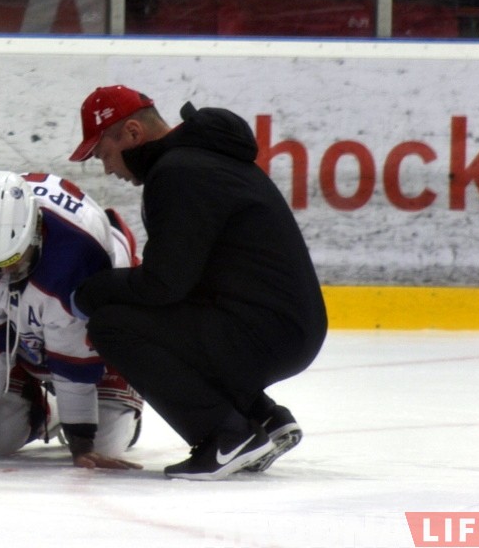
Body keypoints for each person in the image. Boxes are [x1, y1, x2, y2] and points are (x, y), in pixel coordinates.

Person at [67, 85, 328, 480]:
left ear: (133, 133)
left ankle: (227, 437)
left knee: (113, 325)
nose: (107, 169)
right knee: (162, 319)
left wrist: (90, 290)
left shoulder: (179, 174)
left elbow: (163, 284)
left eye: (104, 154)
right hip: (283, 327)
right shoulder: (201, 160)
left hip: (268, 333)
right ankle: (264, 419)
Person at [0, 170, 144, 468]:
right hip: (25, 338)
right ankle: (40, 407)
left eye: (11, 263)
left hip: (101, 345)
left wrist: (81, 439)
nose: (3, 276)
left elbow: (72, 354)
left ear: (35, 232)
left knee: (104, 443)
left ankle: (121, 396)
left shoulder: (79, 252)